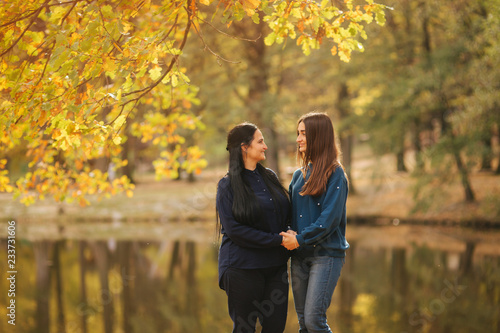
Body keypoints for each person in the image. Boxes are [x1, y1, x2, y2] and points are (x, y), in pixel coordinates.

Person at [216, 122, 291, 333]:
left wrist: (291, 231)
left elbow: (285, 212)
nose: (265, 146)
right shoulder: (227, 185)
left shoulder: (270, 178)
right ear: (244, 147)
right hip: (242, 267)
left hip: (275, 267)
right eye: (260, 141)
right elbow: (234, 231)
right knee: (245, 329)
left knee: (275, 328)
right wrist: (277, 240)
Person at [280, 112, 349, 333]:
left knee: (314, 321)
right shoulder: (298, 176)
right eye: (298, 133)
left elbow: (328, 220)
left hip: (326, 255)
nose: (298, 139)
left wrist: (299, 239)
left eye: (303, 134)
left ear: (318, 137)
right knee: (303, 324)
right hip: (299, 258)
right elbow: (290, 216)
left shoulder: (336, 174)